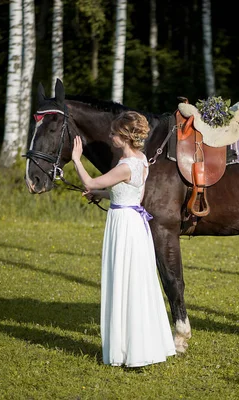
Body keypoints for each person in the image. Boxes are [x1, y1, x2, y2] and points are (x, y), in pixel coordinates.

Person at [71, 110, 176, 367]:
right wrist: (105, 197)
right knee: (134, 281)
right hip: (132, 221)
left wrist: (76, 159)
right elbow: (131, 196)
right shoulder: (141, 161)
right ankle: (137, 343)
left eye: (114, 134)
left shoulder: (125, 166)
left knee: (124, 280)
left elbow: (92, 181)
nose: (110, 137)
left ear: (125, 137)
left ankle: (128, 349)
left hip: (124, 226)